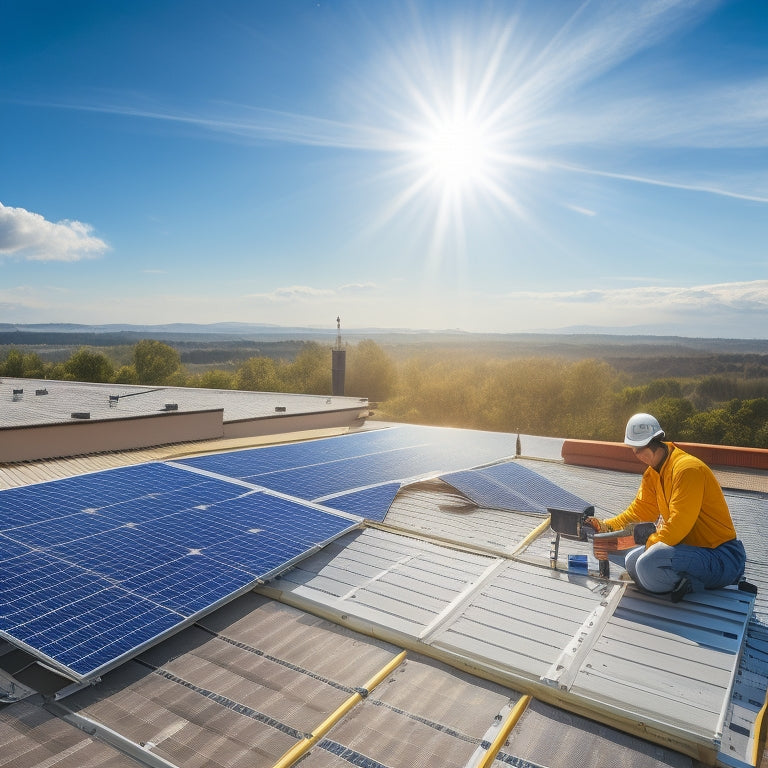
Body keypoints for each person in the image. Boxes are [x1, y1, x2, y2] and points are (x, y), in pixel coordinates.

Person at [585, 413, 747, 602]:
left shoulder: (687, 470)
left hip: (722, 556)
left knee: (647, 563)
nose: (635, 455)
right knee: (631, 561)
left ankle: (700, 583)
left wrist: (646, 544)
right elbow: (637, 513)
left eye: (634, 450)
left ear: (641, 450)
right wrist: (603, 527)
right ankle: (674, 581)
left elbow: (677, 527)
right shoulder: (654, 473)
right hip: (691, 550)